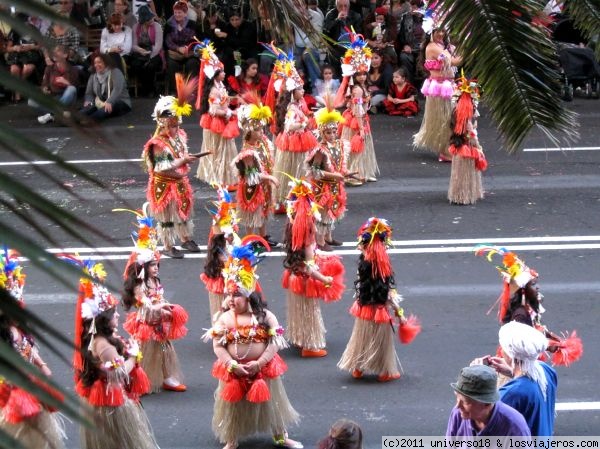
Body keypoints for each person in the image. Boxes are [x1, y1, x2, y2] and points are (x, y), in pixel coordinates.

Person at [202, 239, 303, 449]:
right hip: (234, 371)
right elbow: (217, 346)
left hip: (262, 370)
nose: (231, 299)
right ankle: (232, 438)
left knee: (273, 403)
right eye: (229, 294)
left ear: (249, 296)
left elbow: (276, 342)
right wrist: (231, 364)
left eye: (236, 295)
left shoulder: (265, 316)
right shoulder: (224, 319)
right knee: (232, 406)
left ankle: (280, 435)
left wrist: (261, 362)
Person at [68, 255, 159, 449]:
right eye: (113, 313)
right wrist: (134, 356)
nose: (117, 315)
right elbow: (119, 374)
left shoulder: (100, 338)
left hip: (105, 399)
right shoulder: (104, 346)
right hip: (110, 402)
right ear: (103, 320)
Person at [338, 217, 421, 381]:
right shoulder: (382, 275)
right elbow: (390, 298)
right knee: (382, 344)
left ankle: (357, 368)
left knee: (361, 339)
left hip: (364, 308)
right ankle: (385, 372)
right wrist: (401, 316)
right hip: (380, 312)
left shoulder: (362, 268)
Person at [473, 245, 583, 367]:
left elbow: (536, 329)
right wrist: (550, 345)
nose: (538, 287)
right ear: (524, 290)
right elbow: (522, 343)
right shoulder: (520, 314)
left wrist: (554, 339)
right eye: (533, 284)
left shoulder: (527, 308)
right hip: (518, 364)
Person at [0, 249, 66, 449]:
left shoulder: (17, 329)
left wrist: (41, 364)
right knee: (20, 427)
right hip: (12, 388)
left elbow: (28, 347)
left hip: (28, 381)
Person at [120, 206, 188, 393]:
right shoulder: (139, 285)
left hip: (159, 322)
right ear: (143, 267)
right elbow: (145, 304)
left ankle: (167, 378)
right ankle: (136, 380)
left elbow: (158, 297)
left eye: (157, 265)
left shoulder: (153, 280)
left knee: (166, 351)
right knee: (142, 354)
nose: (156, 268)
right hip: (147, 324)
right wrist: (162, 307)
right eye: (152, 265)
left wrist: (164, 308)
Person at [282, 177, 345, 357]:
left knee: (298, 310)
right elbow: (309, 269)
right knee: (309, 312)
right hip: (304, 281)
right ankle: (310, 346)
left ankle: (299, 337)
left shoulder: (291, 229)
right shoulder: (307, 240)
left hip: (294, 276)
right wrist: (325, 279)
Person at [141, 76, 203, 258]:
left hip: (180, 182)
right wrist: (182, 162)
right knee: (166, 217)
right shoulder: (157, 143)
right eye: (172, 125)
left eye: (177, 124)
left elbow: (181, 155)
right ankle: (168, 246)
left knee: (183, 212)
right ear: (163, 123)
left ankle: (185, 239)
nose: (176, 129)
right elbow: (162, 167)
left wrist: (184, 160)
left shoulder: (180, 135)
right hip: (164, 184)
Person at [479, 321, 557, 437]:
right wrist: (511, 372)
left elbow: (479, 420)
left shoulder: (511, 393)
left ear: (510, 353)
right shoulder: (547, 371)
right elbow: (528, 384)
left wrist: (476, 378)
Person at [265, 43, 318, 212]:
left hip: (300, 139)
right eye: (300, 89)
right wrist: (303, 124)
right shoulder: (290, 108)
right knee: (293, 167)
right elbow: (288, 126)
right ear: (292, 92)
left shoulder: (298, 105)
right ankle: (289, 196)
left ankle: (298, 195)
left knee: (299, 167)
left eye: (303, 88)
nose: (303, 91)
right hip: (294, 140)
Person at [412, 15, 462, 162]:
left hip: (446, 86)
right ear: (430, 32)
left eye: (443, 30)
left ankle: (450, 147)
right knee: (444, 119)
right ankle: (445, 151)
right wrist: (470, 49)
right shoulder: (432, 47)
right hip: (440, 88)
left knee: (450, 118)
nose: (441, 33)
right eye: (437, 31)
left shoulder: (440, 46)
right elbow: (453, 61)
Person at [232, 97, 280, 244]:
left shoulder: (263, 142)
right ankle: (250, 239)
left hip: (263, 185)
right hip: (252, 187)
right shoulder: (247, 151)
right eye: (258, 130)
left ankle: (263, 236)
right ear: (249, 132)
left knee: (264, 210)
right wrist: (270, 178)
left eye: (261, 128)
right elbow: (251, 175)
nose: (261, 132)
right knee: (252, 212)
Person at [305, 99, 350, 251]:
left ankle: (328, 238)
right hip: (322, 187)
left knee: (332, 212)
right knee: (323, 214)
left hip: (334, 186)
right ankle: (319, 241)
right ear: (322, 132)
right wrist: (335, 176)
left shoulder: (339, 145)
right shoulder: (319, 150)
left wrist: (347, 173)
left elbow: (339, 166)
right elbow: (315, 171)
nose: (331, 135)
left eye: (333, 131)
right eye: (328, 132)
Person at [194, 40, 239, 187]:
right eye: (222, 72)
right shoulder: (214, 90)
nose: (225, 73)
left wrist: (233, 102)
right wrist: (228, 113)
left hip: (224, 119)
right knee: (218, 149)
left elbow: (223, 101)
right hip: (218, 121)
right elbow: (214, 110)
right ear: (216, 75)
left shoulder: (220, 86)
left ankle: (224, 176)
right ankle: (217, 176)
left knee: (225, 149)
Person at [446, 365, 531, 437]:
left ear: (486, 403)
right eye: (457, 397)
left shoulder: (515, 427)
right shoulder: (458, 414)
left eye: (465, 402)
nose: (458, 406)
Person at [201, 184, 240, 324]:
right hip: (223, 281)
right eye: (229, 234)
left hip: (233, 279)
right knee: (222, 310)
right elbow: (226, 261)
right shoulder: (218, 249)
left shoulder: (234, 240)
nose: (232, 235)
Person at [447, 73, 487, 204]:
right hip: (467, 147)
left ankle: (457, 195)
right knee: (465, 174)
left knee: (458, 174)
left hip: (458, 146)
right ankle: (465, 196)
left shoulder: (455, 114)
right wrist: (478, 147)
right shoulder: (467, 120)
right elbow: (471, 135)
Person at [31, 45, 79, 124]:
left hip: (67, 98)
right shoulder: (49, 68)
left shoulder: (73, 69)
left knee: (71, 89)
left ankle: (51, 114)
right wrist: (45, 89)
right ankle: (59, 114)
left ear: (65, 55)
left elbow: (76, 88)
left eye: (58, 51)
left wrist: (67, 83)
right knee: (32, 101)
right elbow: (44, 84)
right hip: (53, 97)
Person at [80, 53, 132, 121]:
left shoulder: (115, 71)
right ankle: (72, 119)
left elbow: (117, 89)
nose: (96, 65)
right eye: (95, 63)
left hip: (120, 101)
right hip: (102, 102)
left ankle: (89, 121)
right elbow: (89, 92)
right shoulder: (93, 75)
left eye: (99, 62)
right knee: (88, 108)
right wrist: (88, 101)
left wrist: (110, 101)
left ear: (106, 63)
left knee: (104, 110)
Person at [129, 5, 164, 97]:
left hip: (154, 52)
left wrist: (149, 55)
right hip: (141, 51)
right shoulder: (136, 27)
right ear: (143, 20)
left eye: (152, 17)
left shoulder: (157, 27)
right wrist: (140, 50)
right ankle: (145, 88)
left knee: (150, 65)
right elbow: (134, 45)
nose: (152, 19)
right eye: (149, 18)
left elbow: (158, 46)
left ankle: (151, 89)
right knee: (136, 65)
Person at [164, 1, 199, 92]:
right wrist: (178, 48)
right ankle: (174, 91)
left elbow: (196, 40)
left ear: (185, 13)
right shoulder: (169, 24)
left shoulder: (192, 24)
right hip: (175, 52)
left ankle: (191, 90)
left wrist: (188, 48)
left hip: (189, 53)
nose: (177, 15)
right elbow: (167, 41)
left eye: (179, 12)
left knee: (192, 64)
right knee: (172, 65)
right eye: (175, 12)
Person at [323, 0, 362, 74]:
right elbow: (326, 32)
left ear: (349, 6)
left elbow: (358, 34)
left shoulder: (356, 16)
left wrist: (346, 21)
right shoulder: (331, 14)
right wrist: (337, 20)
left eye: (345, 6)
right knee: (333, 56)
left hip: (351, 47)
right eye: (340, 6)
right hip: (335, 47)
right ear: (336, 7)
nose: (343, 9)